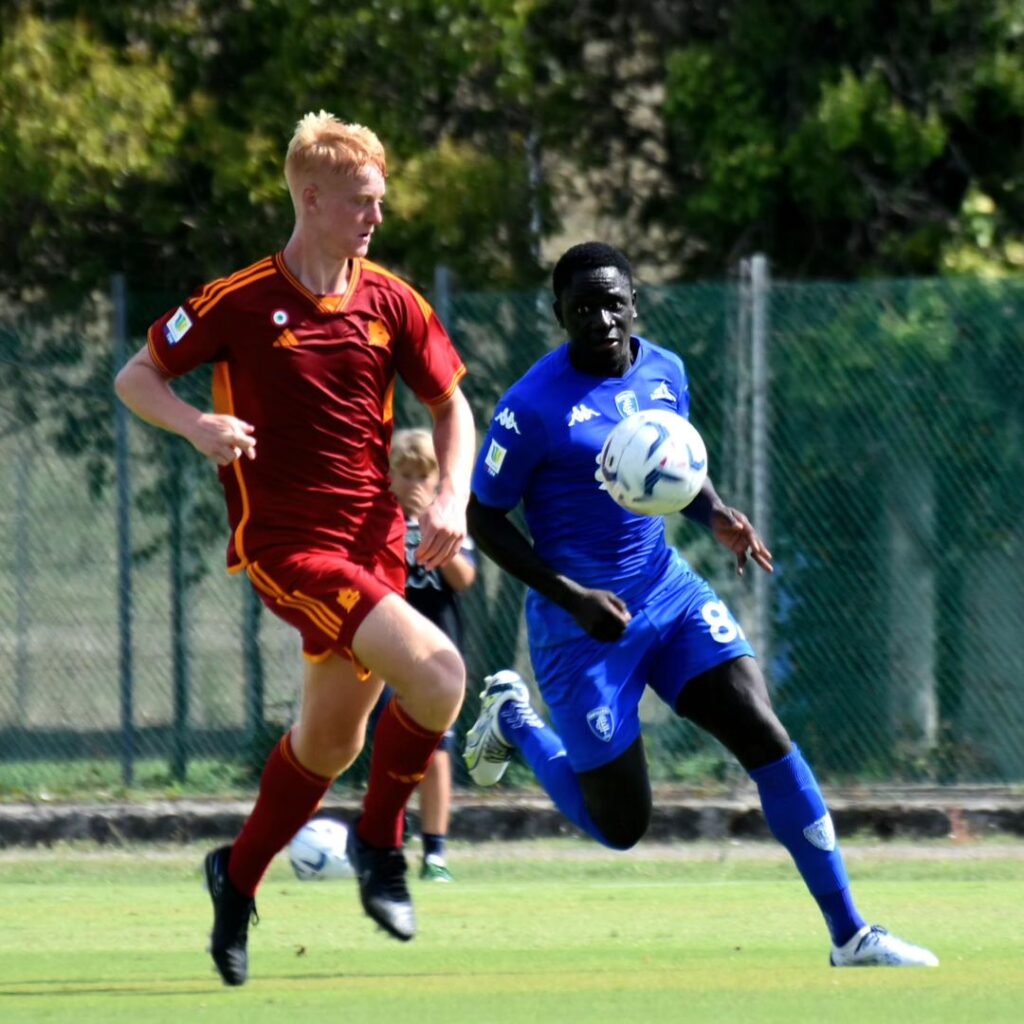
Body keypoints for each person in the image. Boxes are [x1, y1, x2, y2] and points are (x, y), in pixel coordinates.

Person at [463, 240, 938, 968]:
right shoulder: (528, 410)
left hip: (667, 591)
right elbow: (482, 519)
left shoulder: (666, 372)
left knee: (763, 732)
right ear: (556, 312)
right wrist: (572, 596)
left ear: (635, 303)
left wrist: (712, 509)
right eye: (582, 306)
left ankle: (850, 933)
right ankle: (515, 721)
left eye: (613, 302)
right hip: (581, 627)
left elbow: (668, 467)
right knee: (622, 826)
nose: (600, 318)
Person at [114, 111, 474, 986]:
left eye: (380, 201)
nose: (376, 218)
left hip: (374, 548)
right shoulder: (239, 299)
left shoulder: (391, 300)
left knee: (329, 746)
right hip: (288, 549)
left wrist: (454, 496)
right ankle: (382, 846)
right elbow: (136, 376)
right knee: (440, 674)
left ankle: (234, 881)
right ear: (311, 200)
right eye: (361, 201)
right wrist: (198, 424)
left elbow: (452, 406)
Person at [383, 427, 477, 882]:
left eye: (425, 475)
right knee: (389, 750)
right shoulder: (376, 518)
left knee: (436, 753)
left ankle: (435, 853)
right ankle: (386, 845)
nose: (415, 485)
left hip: (437, 653)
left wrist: (430, 534)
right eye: (405, 474)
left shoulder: (448, 515)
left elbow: (464, 579)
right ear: (389, 476)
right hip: (386, 650)